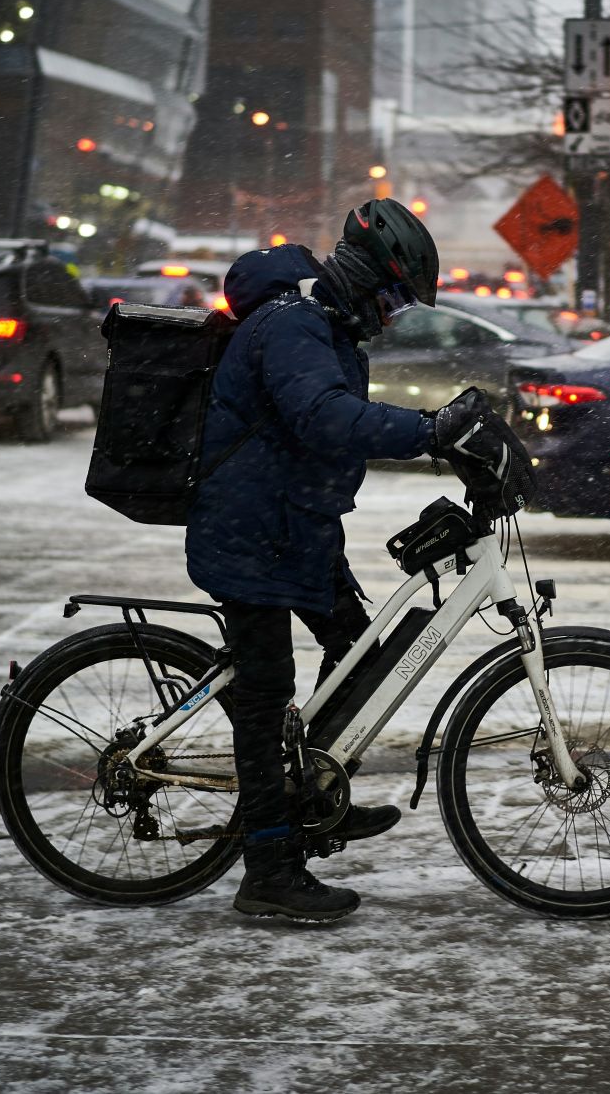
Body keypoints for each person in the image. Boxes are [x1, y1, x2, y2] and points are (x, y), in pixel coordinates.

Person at [186, 198, 465, 924]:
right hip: (251, 532)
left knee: (355, 651)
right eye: (396, 295)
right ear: (364, 273)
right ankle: (270, 868)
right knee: (264, 692)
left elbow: (322, 432)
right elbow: (325, 418)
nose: (396, 312)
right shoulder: (296, 326)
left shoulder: (334, 330)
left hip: (295, 526)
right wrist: (428, 429)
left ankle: (312, 799)